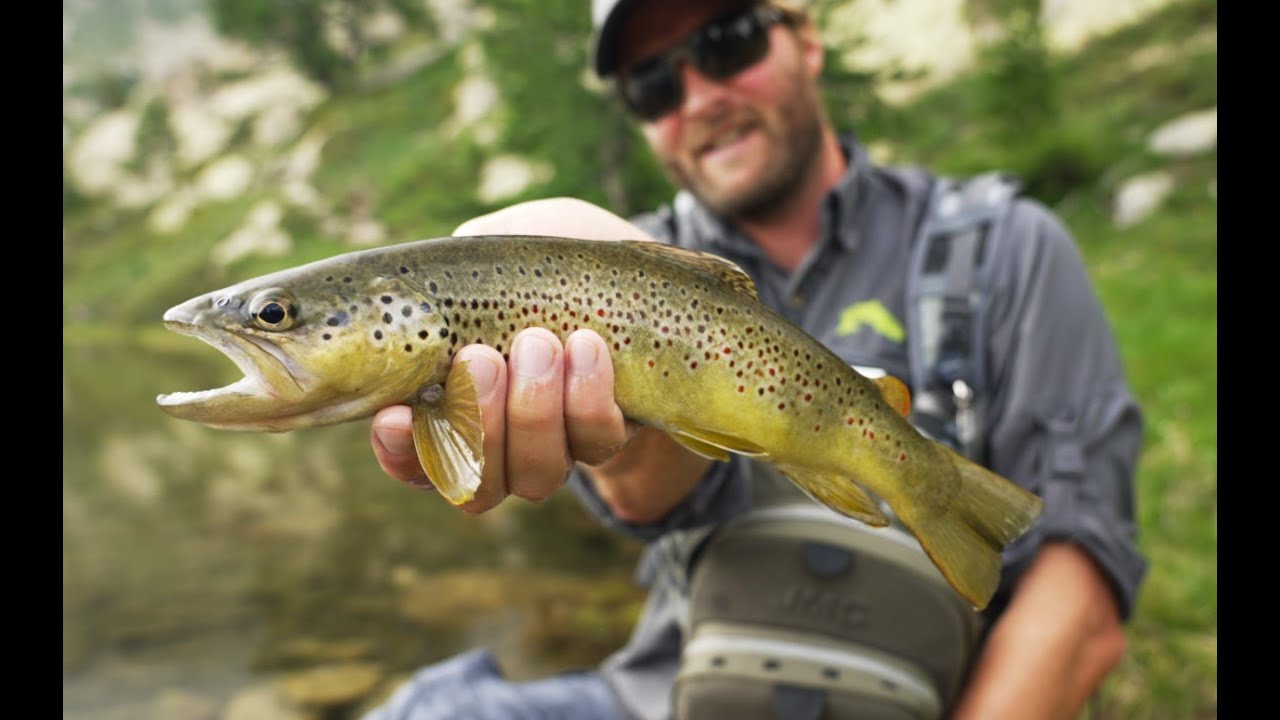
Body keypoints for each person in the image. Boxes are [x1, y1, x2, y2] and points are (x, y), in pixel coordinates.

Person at [363, 0, 1147, 718]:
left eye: (727, 41)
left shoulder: (1005, 247)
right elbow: (648, 503)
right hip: (669, 693)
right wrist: (634, 439)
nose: (698, 97)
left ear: (806, 38)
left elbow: (1079, 596)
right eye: (653, 84)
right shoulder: (607, 264)